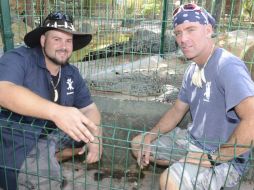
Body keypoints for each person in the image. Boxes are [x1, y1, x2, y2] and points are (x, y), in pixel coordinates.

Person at [131, 3, 254, 190]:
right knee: (138, 143)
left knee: (169, 181)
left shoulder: (227, 66)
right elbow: (177, 111)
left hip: (225, 157)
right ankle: (188, 172)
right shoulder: (192, 69)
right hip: (193, 141)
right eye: (178, 32)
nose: (183, 38)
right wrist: (148, 137)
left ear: (208, 30)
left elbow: (252, 119)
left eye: (190, 30)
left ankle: (192, 176)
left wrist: (213, 158)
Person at [0, 11, 102, 190]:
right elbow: (3, 90)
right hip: (20, 138)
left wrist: (96, 137)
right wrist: (56, 112)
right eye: (57, 39)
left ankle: (50, 157)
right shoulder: (18, 59)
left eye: (68, 40)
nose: (64, 46)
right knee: (46, 179)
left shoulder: (71, 73)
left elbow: (89, 109)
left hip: (52, 135)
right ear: (42, 41)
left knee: (84, 130)